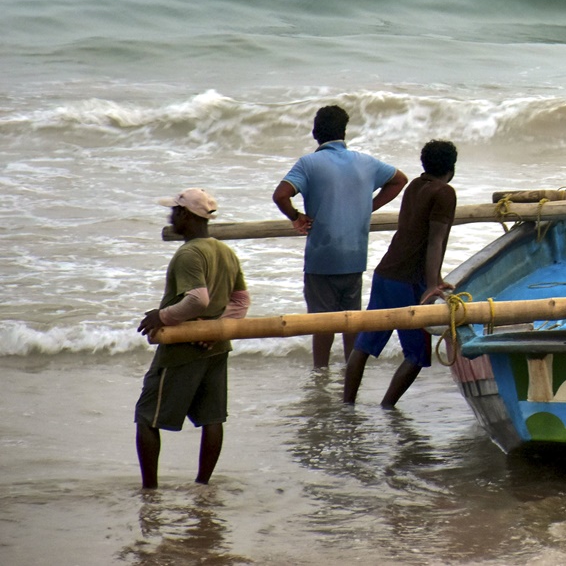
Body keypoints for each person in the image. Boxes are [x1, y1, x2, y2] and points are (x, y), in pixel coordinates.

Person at [273, 105, 406, 368]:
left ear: (315, 133)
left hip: (322, 257)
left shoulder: (308, 163)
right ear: (344, 132)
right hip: (355, 256)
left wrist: (296, 217)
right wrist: (368, 206)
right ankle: (351, 375)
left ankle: (320, 376)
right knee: (350, 322)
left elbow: (280, 195)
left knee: (321, 325)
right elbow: (399, 180)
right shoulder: (366, 162)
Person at [135, 188, 251, 489]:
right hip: (216, 347)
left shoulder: (188, 253)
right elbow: (241, 302)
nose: (170, 215)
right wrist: (215, 331)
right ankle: (203, 486)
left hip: (181, 348)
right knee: (212, 418)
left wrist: (161, 317)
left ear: (186, 215)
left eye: (174, 211)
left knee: (148, 416)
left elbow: (197, 300)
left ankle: (149, 490)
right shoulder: (225, 251)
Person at [344, 139, 458, 408]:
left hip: (386, 274)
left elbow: (416, 235)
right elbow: (434, 240)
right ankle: (387, 407)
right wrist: (432, 285)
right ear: (451, 167)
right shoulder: (445, 193)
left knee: (364, 345)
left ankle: (347, 405)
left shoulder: (415, 186)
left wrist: (434, 278)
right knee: (417, 354)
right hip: (407, 282)